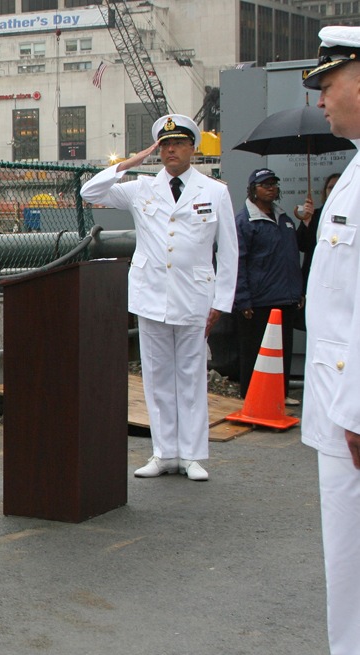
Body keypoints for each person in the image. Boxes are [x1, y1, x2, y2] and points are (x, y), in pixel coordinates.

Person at [80, 113, 238, 482]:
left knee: (191, 376)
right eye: (165, 145)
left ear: (192, 149)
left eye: (178, 144)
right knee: (157, 377)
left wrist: (221, 302)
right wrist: (130, 162)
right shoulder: (141, 186)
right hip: (151, 295)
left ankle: (193, 455)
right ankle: (164, 452)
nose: (171, 151)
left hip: (195, 297)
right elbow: (90, 193)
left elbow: (229, 251)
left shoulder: (214, 191)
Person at [298, 26, 360, 655]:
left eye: (329, 81)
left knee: (350, 572)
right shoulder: (352, 169)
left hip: (353, 412)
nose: (320, 97)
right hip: (341, 405)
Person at [233, 168, 302, 401]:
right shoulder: (244, 222)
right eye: (265, 184)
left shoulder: (285, 219)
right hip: (258, 302)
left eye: (273, 183)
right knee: (254, 353)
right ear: (253, 189)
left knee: (282, 352)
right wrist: (242, 299)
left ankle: (278, 397)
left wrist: (298, 291)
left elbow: (292, 256)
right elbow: (237, 262)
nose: (271, 188)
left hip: (285, 298)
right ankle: (252, 399)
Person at [297, 172, 342, 294]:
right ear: (325, 192)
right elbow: (302, 245)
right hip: (316, 279)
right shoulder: (315, 215)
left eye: (339, 185)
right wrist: (307, 221)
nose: (334, 190)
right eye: (330, 187)